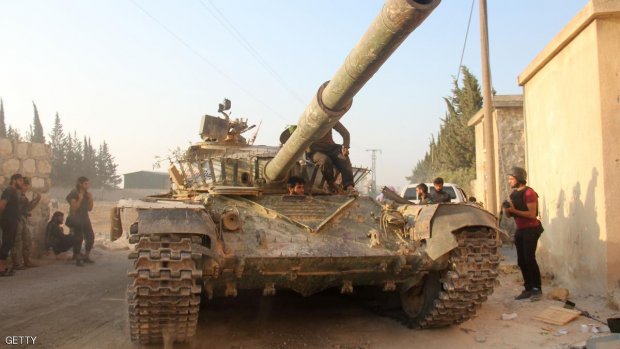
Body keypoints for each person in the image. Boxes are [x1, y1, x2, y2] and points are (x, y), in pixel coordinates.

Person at [503, 166, 544, 301]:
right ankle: (528, 288)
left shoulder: (529, 193)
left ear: (518, 178)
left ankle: (537, 289)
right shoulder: (514, 194)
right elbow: (509, 215)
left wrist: (513, 211)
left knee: (529, 259)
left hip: (531, 229)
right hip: (521, 230)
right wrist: (506, 209)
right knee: (521, 261)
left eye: (511, 179)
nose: (509, 181)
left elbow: (532, 214)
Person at [308, 122, 357, 195]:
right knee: (325, 160)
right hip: (315, 150)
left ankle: (349, 186)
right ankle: (331, 184)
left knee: (343, 157)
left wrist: (345, 147)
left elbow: (345, 133)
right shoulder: (308, 120)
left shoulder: (330, 119)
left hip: (331, 148)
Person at [11, 177, 41, 269]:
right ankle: (17, 263)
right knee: (17, 242)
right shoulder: (16, 195)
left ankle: (26, 260)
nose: (26, 188)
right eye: (25, 185)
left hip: (22, 219)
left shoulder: (22, 195)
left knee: (27, 240)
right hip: (17, 220)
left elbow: (27, 208)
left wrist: (36, 200)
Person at [66, 176, 95, 266]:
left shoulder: (87, 194)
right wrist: (80, 199)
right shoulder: (74, 193)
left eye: (88, 183)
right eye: (85, 184)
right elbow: (74, 208)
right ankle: (77, 257)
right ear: (80, 184)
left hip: (85, 217)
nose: (87, 185)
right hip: (76, 218)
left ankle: (86, 256)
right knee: (78, 238)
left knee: (90, 236)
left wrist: (91, 199)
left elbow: (90, 209)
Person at [0, 173, 25, 276]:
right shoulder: (9, 190)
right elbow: (2, 205)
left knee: (9, 243)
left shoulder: (14, 192)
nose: (22, 183)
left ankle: (4, 266)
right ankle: (1, 268)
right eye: (20, 181)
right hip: (8, 221)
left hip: (13, 221)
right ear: (14, 180)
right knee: (6, 243)